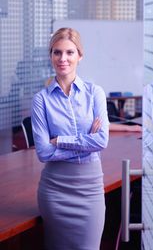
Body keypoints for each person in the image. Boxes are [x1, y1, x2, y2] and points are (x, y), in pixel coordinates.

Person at [31, 27, 109, 250]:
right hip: (55, 191)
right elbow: (43, 153)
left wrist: (60, 140)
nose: (62, 58)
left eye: (69, 52)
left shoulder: (95, 93)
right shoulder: (41, 100)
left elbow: (102, 141)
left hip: (90, 190)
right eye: (57, 52)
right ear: (51, 55)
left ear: (80, 56)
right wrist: (86, 141)